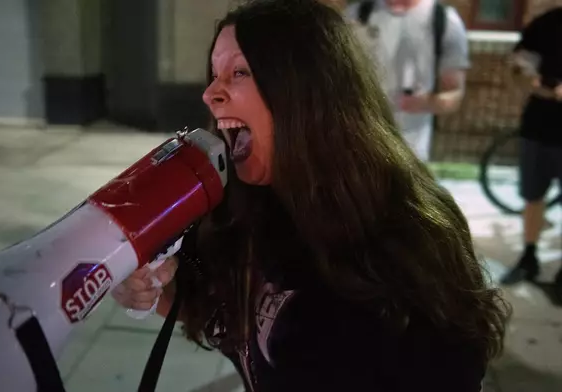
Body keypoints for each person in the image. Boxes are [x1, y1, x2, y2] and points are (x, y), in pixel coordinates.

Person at [112, 0, 510, 390]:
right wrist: (145, 288)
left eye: (239, 72)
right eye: (214, 74)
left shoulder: (407, 242)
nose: (210, 94)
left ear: (307, 91)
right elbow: (205, 301)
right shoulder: (243, 205)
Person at [343, 0, 470, 162]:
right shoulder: (357, 14)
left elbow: (455, 93)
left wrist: (426, 102)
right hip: (357, 145)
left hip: (411, 151)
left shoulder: (445, 20)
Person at [500, 7, 562, 298]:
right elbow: (518, 67)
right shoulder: (546, 23)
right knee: (532, 197)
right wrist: (535, 84)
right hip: (538, 127)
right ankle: (529, 256)